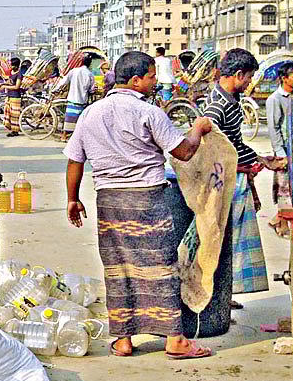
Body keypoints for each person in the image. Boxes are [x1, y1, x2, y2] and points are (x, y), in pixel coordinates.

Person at [64, 50, 216, 360]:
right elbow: (184, 152)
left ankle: (123, 339)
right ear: (136, 81)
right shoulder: (149, 113)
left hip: (109, 201)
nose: (155, 80)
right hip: (146, 199)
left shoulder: (90, 113)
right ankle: (175, 339)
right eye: (151, 76)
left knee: (119, 269)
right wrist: (198, 129)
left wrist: (72, 198)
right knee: (159, 267)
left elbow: (75, 160)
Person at [204, 49, 285, 298]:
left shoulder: (231, 99)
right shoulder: (217, 106)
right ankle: (216, 296)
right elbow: (215, 147)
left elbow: (235, 143)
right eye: (248, 78)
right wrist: (257, 162)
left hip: (234, 177)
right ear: (238, 75)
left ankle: (225, 294)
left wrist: (261, 159)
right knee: (222, 240)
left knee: (231, 241)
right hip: (221, 182)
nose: (249, 83)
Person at [266, 61, 293, 235]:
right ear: (283, 78)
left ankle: (278, 222)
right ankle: (280, 222)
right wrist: (281, 154)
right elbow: (274, 128)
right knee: (284, 188)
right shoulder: (275, 99)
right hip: (285, 151)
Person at [57, 54, 96, 139]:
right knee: (80, 120)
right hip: (82, 100)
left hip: (72, 98)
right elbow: (92, 89)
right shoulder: (90, 74)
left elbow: (64, 81)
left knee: (69, 118)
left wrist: (56, 89)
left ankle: (64, 136)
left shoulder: (74, 71)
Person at [2, 60, 28, 137]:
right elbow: (10, 83)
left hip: (15, 96)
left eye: (12, 65)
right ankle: (11, 129)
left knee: (14, 115)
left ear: (17, 66)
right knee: (8, 113)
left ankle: (15, 131)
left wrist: (5, 86)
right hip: (9, 96)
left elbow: (17, 86)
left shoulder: (19, 74)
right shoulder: (11, 73)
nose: (11, 67)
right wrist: (2, 84)